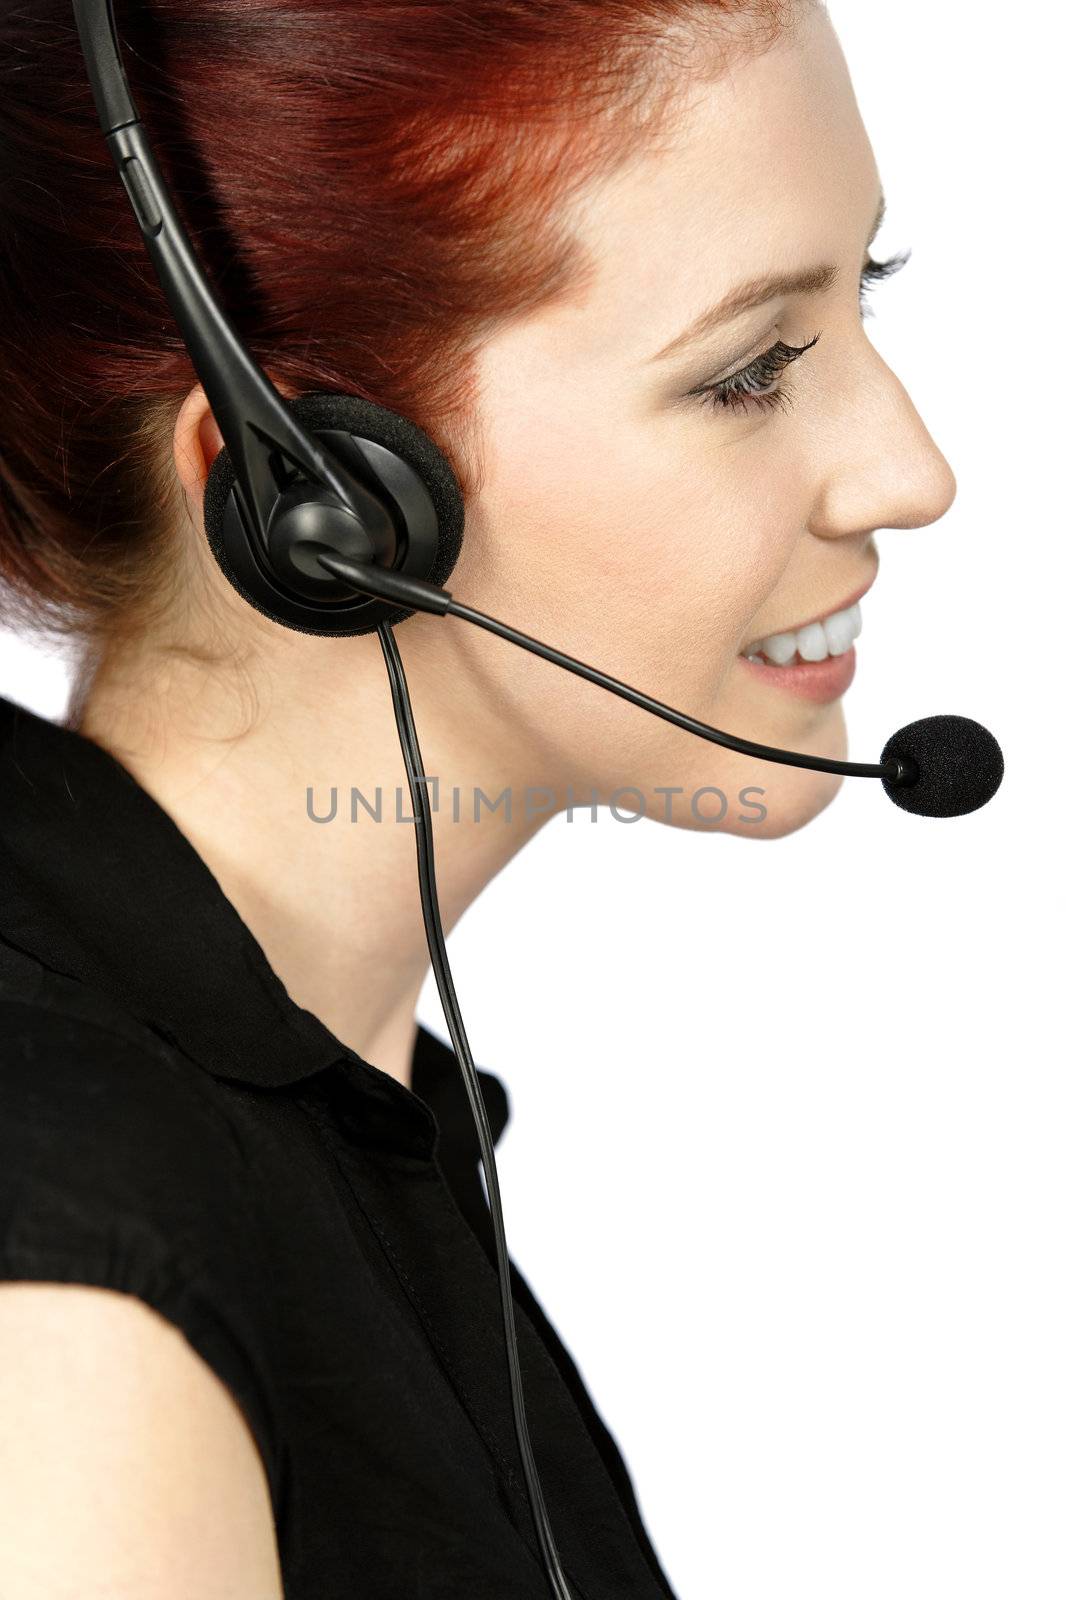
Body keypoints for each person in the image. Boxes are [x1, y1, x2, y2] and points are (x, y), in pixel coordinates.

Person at [0, 0, 956, 1592]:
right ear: (315, 501)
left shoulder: (311, 1125)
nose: (909, 471)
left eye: (863, 295)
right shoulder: (72, 1311)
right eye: (750, 369)